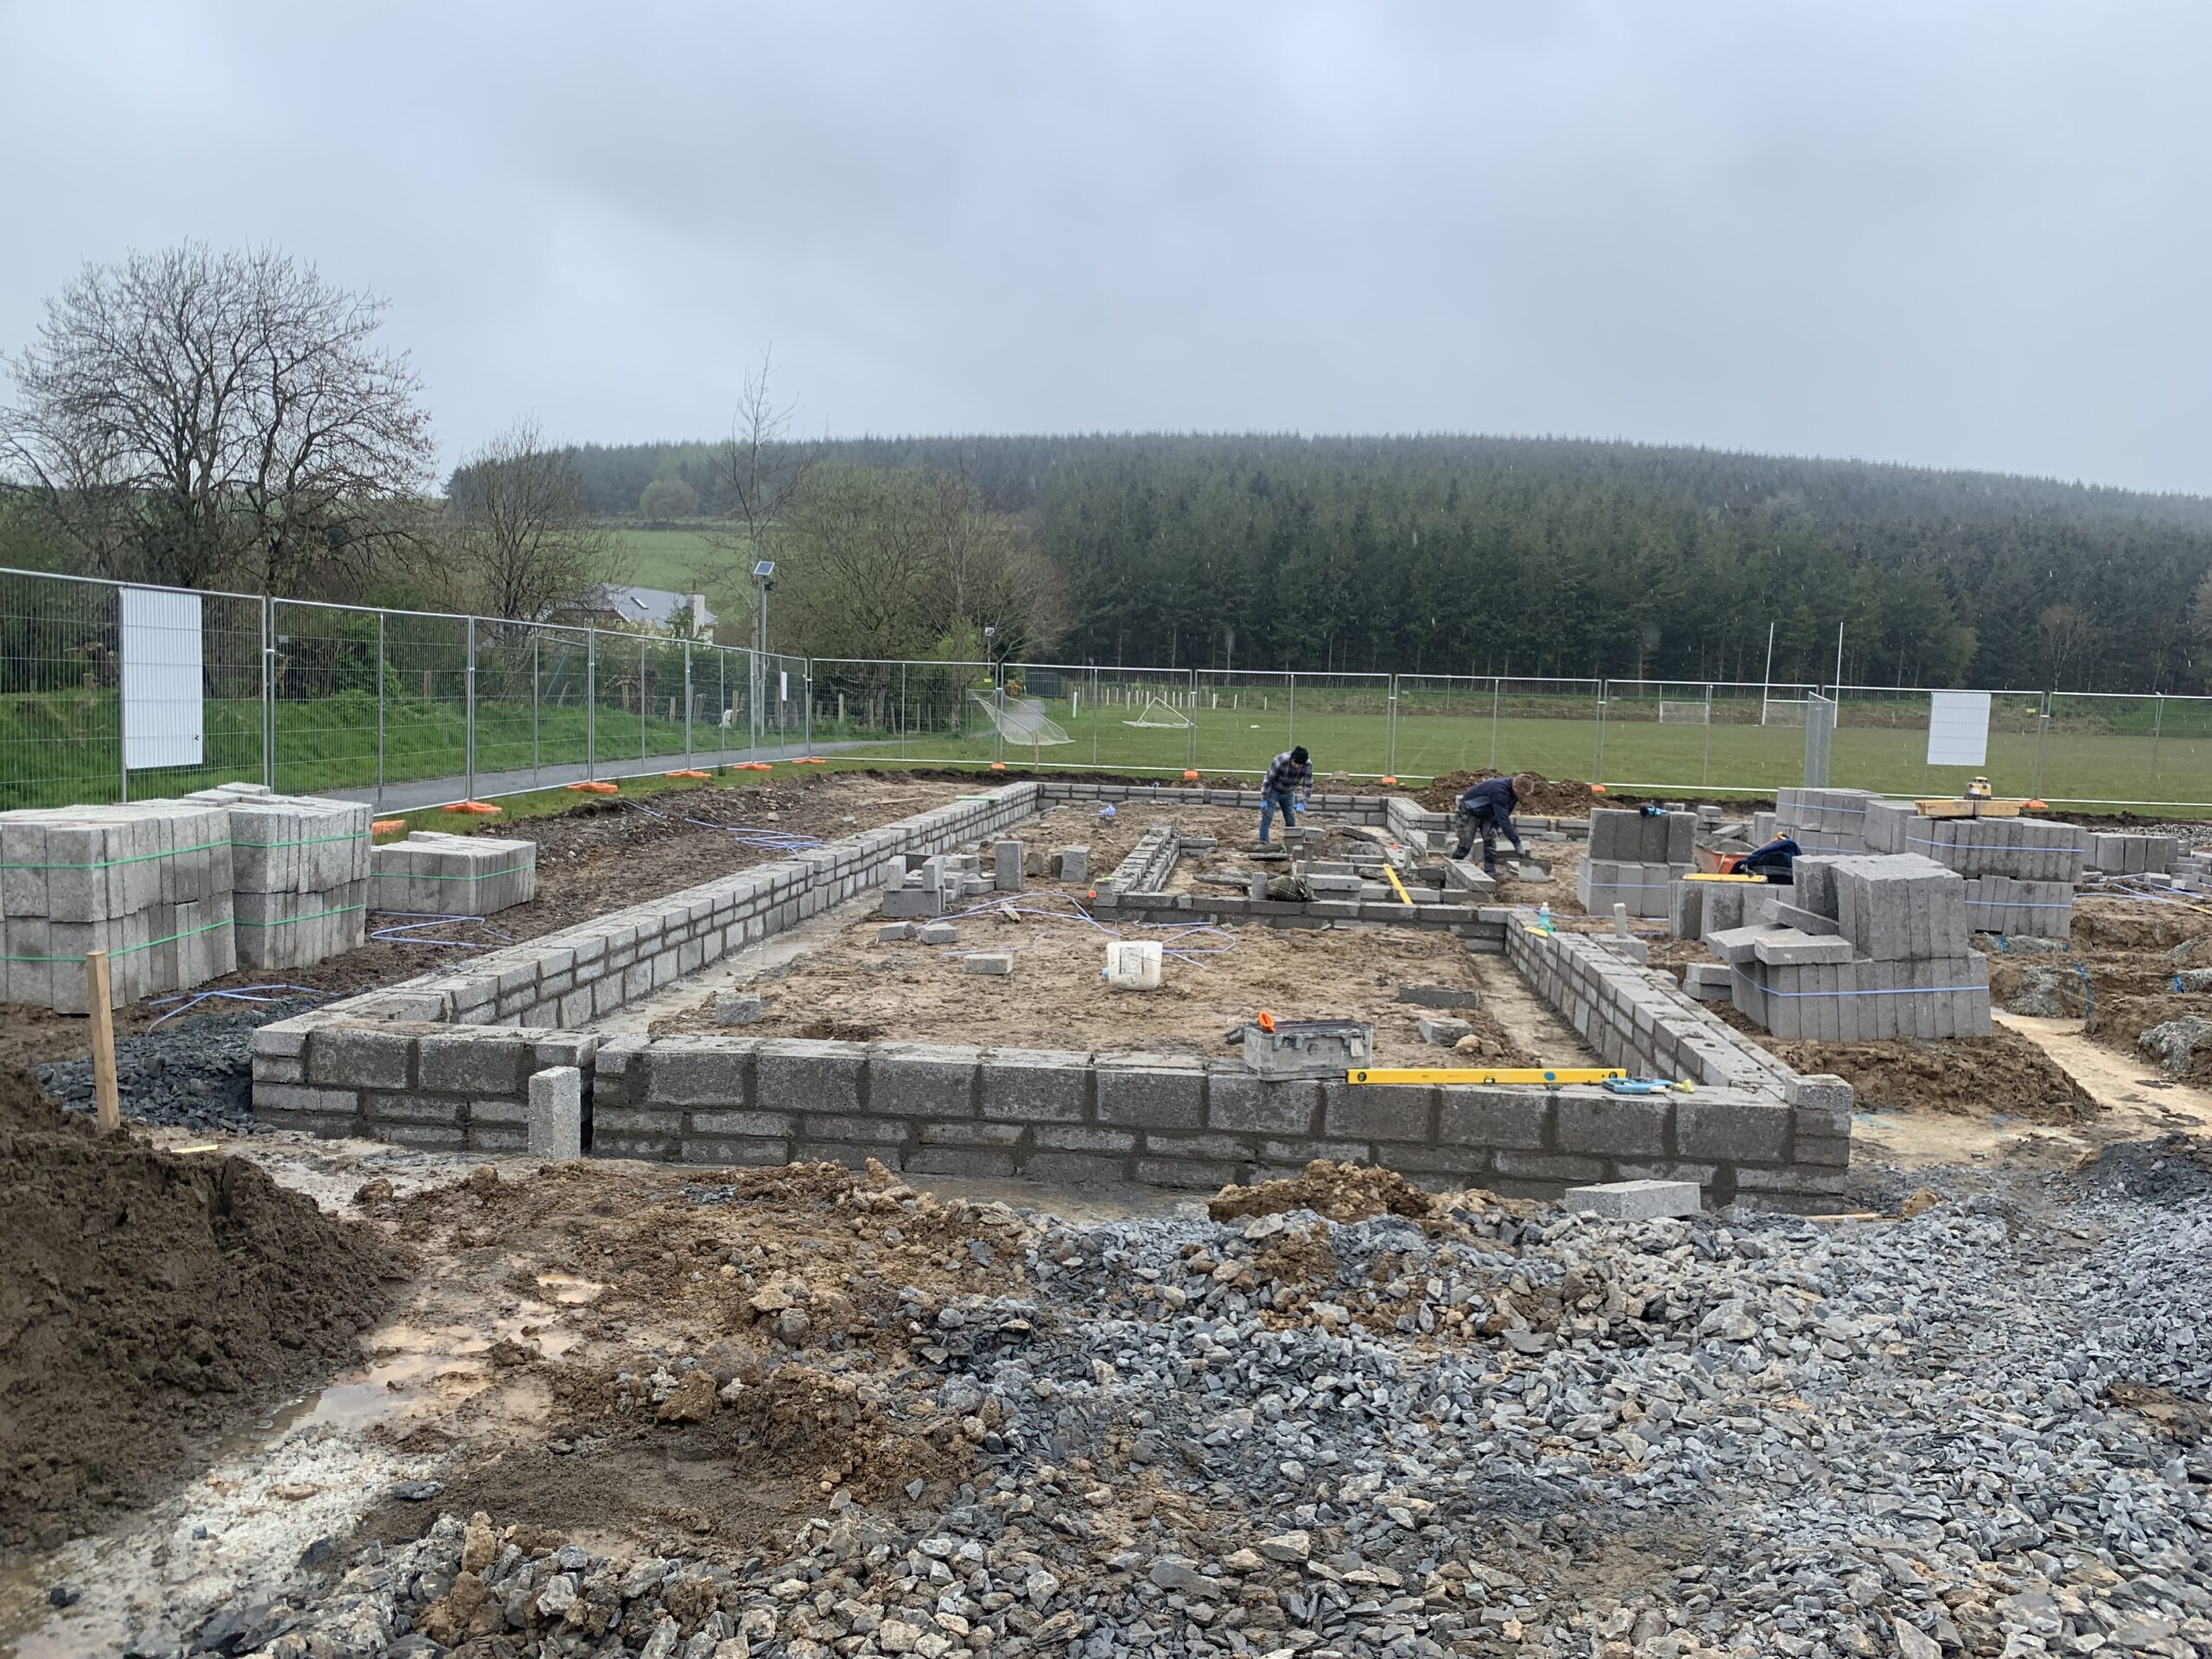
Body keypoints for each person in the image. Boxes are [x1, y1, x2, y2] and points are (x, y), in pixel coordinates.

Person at [1452, 772, 1532, 874]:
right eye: (1521, 794)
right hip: (1470, 811)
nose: (1522, 797)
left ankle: (1490, 874)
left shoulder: (1515, 792)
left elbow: (1506, 812)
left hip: (1487, 812)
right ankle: (1452, 867)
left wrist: (1494, 826)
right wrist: (1516, 843)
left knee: (1490, 843)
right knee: (1465, 845)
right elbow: (1504, 819)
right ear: (1515, 786)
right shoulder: (1499, 790)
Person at [1257, 746, 1313, 843]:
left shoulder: (1307, 764)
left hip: (1289, 792)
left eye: (1300, 765)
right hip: (1273, 790)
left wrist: (1302, 802)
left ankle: (1291, 842)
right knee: (1267, 816)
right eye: (1295, 763)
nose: (1297, 766)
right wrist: (1264, 799)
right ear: (1292, 758)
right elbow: (1268, 779)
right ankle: (1264, 842)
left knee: (1290, 818)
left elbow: (1308, 785)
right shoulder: (1281, 760)